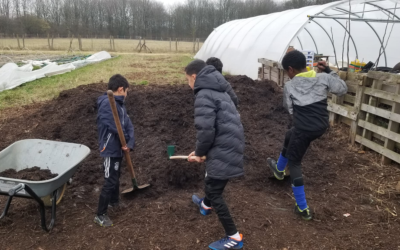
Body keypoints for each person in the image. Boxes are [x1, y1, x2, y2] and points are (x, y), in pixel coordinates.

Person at [267, 50, 347, 220]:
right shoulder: (323, 78)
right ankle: (279, 170)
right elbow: (342, 89)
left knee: (295, 162)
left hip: (304, 129)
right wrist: (328, 71)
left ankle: (302, 208)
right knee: (290, 134)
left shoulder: (290, 86)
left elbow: (288, 108)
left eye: (286, 72)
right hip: (321, 126)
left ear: (290, 69)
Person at [185, 59, 245, 250]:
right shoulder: (220, 88)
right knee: (212, 178)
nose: (188, 84)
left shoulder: (203, 94)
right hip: (230, 142)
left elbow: (206, 130)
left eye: (187, 80)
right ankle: (205, 205)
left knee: (214, 189)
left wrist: (201, 153)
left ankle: (234, 237)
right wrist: (202, 152)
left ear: (194, 77)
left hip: (223, 146)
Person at [94, 74, 135, 227]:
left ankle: (114, 202)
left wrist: (129, 143)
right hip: (110, 147)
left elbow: (128, 125)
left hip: (119, 147)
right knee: (110, 180)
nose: (126, 94)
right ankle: (100, 214)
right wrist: (123, 138)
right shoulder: (107, 103)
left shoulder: (121, 106)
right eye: (126, 91)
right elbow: (113, 124)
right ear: (121, 89)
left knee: (116, 176)